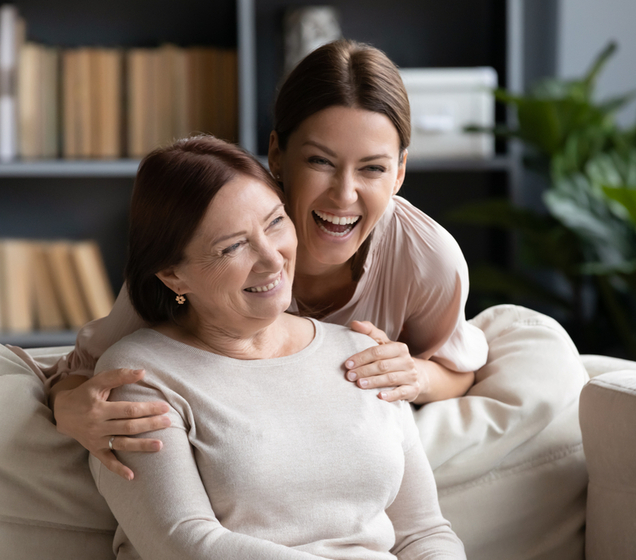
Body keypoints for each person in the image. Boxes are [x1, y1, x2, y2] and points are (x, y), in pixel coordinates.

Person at [38, 39, 490, 481]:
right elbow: (80, 373)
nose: (344, 194)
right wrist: (67, 406)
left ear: (400, 172)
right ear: (277, 154)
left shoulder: (429, 257)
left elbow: (457, 373)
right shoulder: (207, 237)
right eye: (320, 161)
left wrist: (414, 375)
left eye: (373, 168)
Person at [90, 135, 466, 559]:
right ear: (174, 276)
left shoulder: (362, 351)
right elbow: (184, 544)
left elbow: (424, 533)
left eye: (274, 222)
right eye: (232, 246)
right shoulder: (140, 377)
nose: (272, 259)